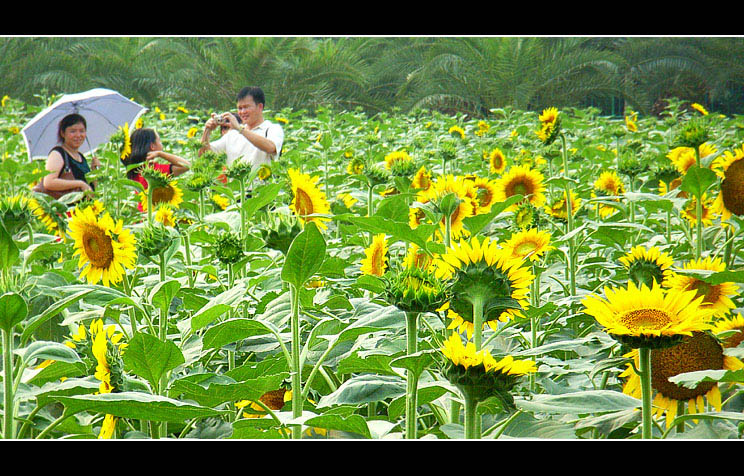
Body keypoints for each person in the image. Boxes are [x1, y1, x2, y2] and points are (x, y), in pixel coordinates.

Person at [199, 86, 284, 169]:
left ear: (260, 107)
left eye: (246, 107)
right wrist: (207, 130)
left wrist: (239, 129)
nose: (242, 112)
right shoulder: (232, 134)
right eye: (240, 108)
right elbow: (204, 155)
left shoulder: (272, 129)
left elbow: (271, 148)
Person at [41, 113, 101, 195]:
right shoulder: (58, 154)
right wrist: (80, 183)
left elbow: (92, 190)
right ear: (62, 133)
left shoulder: (81, 157)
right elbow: (49, 182)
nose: (78, 135)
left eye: (82, 131)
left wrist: (94, 171)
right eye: (73, 131)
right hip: (64, 206)